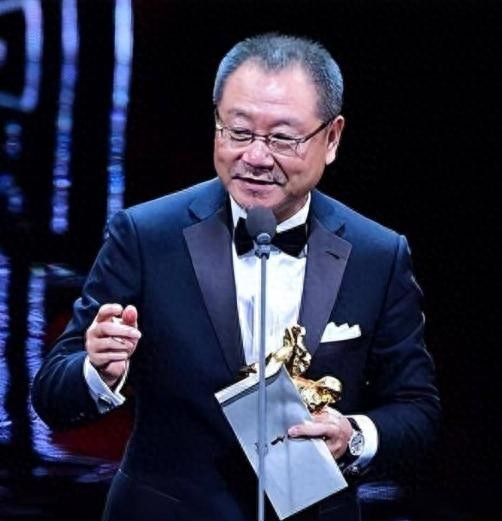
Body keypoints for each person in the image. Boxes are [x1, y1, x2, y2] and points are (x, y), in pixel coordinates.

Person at [32, 33, 440, 521]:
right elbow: (52, 393)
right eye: (239, 132)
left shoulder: (378, 254)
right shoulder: (145, 236)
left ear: (332, 138)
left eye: (282, 138)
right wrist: (98, 372)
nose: (256, 157)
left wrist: (354, 436)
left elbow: (416, 410)